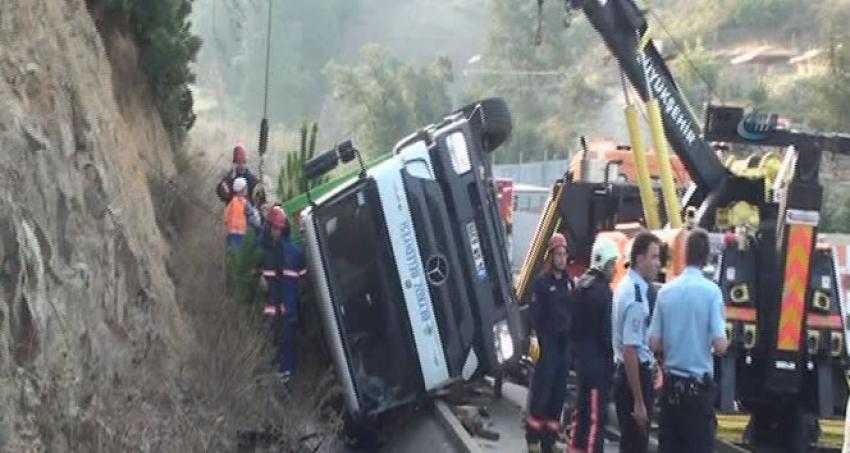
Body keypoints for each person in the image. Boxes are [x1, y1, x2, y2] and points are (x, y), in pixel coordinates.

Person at [649, 229, 727, 453]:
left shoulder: (666, 291)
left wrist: (675, 341)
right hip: (697, 394)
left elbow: (654, 342)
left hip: (671, 392)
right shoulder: (712, 292)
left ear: (684, 254)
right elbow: (720, 345)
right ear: (706, 257)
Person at [569, 237, 620, 453]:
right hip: (598, 366)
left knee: (581, 413)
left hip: (582, 362)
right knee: (596, 419)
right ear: (604, 264)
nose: (615, 269)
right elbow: (607, 333)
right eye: (612, 264)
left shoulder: (581, 286)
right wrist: (614, 360)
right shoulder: (603, 293)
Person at [612, 231, 661, 453]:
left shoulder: (627, 286)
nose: (658, 264)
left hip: (631, 373)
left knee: (631, 443)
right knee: (635, 445)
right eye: (654, 257)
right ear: (639, 258)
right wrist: (639, 402)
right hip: (635, 377)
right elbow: (631, 350)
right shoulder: (636, 297)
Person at [526, 232, 575, 453]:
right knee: (542, 392)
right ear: (551, 256)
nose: (562, 259)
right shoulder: (541, 283)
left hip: (564, 347)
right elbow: (534, 314)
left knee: (558, 393)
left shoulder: (569, 283)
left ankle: (550, 439)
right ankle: (533, 439)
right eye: (558, 254)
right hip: (547, 346)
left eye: (564, 254)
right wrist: (534, 337)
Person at [259, 206, 307, 381]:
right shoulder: (269, 250)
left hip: (282, 309)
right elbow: (303, 281)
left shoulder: (286, 252)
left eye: (277, 228)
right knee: (280, 344)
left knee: (283, 344)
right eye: (273, 228)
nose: (275, 231)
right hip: (281, 309)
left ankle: (283, 376)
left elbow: (302, 281)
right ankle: (281, 375)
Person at [223, 177, 261, 250]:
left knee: (232, 255)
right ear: (242, 189)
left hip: (230, 234)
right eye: (245, 187)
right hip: (241, 235)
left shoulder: (231, 203)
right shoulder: (244, 203)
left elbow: (225, 218)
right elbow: (254, 220)